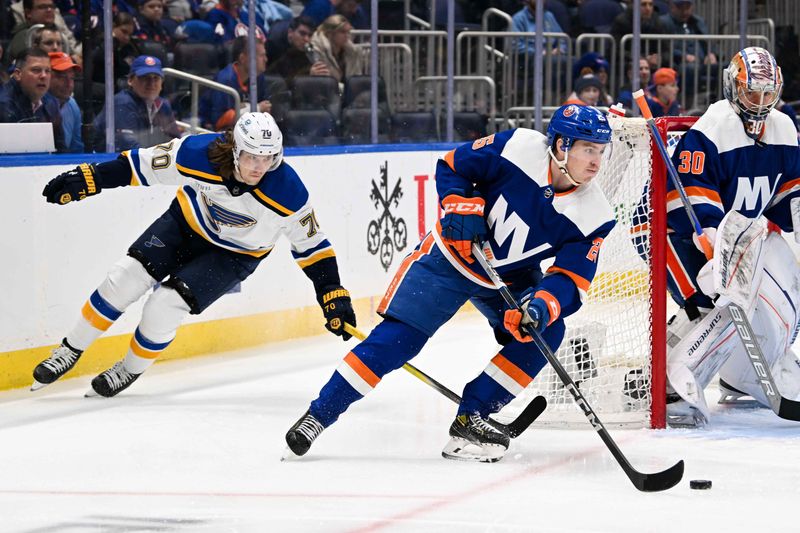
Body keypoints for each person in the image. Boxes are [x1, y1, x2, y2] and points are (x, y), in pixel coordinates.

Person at [284, 104, 615, 462]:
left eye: (600, 151)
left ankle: (472, 416)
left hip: (511, 277)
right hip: (449, 259)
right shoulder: (518, 146)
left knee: (545, 331)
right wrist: (460, 206)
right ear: (562, 145)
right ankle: (319, 415)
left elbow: (571, 277)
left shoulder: (596, 214)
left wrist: (540, 305)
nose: (596, 161)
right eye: (587, 149)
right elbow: (455, 166)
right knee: (397, 340)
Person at [31, 111, 356, 397]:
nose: (259, 167)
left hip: (236, 254)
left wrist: (331, 292)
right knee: (124, 279)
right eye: (252, 157)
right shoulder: (199, 153)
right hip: (185, 223)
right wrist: (92, 178)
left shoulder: (288, 191)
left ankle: (129, 369)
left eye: (268, 158)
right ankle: (69, 349)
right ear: (235, 150)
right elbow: (139, 164)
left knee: (164, 305)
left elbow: (313, 247)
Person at [659, 47, 800, 426]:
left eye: (768, 94)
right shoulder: (712, 129)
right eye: (751, 92)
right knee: (716, 301)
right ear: (733, 89)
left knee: (782, 290)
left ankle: (743, 374)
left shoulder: (784, 127)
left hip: (739, 238)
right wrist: (713, 247)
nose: (760, 102)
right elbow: (690, 199)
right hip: (671, 232)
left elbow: (790, 195)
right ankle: (673, 383)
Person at [92, 54, 182, 151]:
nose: (151, 83)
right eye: (145, 78)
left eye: (155, 78)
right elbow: (128, 148)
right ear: (130, 80)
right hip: (106, 161)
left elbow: (175, 143)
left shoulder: (163, 105)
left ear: (162, 82)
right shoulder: (122, 103)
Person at [0, 47, 66, 152]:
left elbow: (62, 150)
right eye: (36, 70)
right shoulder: (3, 105)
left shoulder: (51, 103)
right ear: (18, 74)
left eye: (47, 71)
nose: (43, 76)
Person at [202, 36, 273, 131]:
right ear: (243, 58)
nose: (266, 59)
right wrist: (256, 108)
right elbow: (219, 121)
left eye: (265, 55)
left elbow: (266, 111)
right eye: (261, 56)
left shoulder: (258, 77)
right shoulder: (225, 79)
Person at [266, 15, 330, 83]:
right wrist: (308, 76)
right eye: (302, 34)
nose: (306, 39)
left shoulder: (308, 49)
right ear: (290, 32)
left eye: (310, 35)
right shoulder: (274, 46)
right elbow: (274, 80)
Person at [307, 14, 363, 86]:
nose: (347, 36)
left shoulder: (353, 51)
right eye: (342, 32)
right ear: (330, 33)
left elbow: (357, 78)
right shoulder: (316, 49)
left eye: (348, 32)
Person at [47, 51, 83, 152]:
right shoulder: (37, 104)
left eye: (71, 78)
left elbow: (77, 147)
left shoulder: (72, 104)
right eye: (61, 77)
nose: (69, 84)